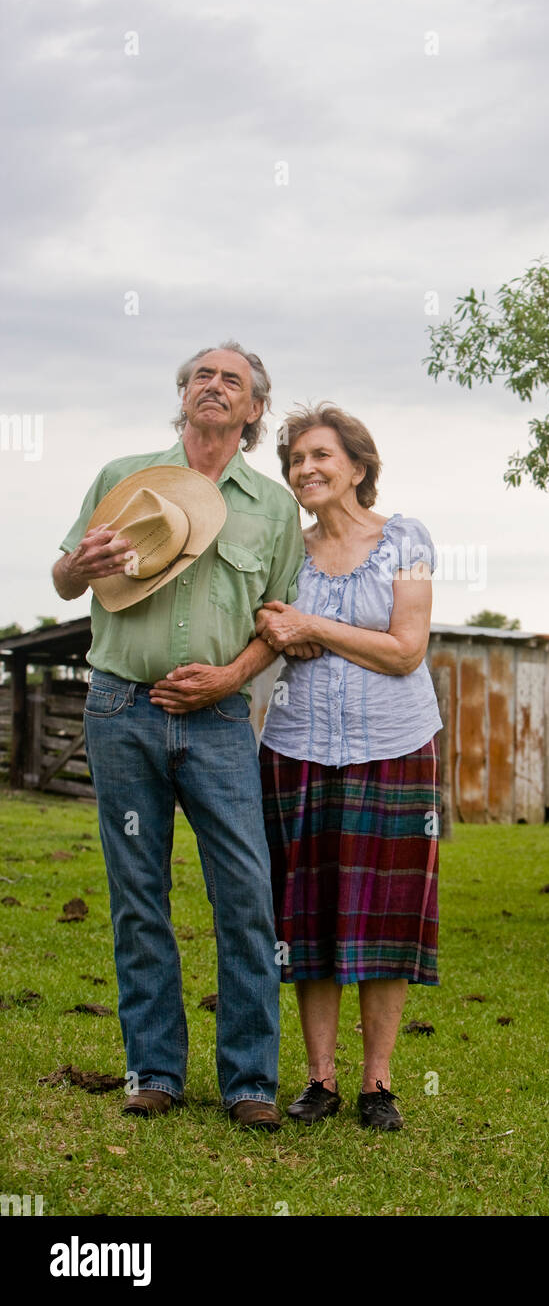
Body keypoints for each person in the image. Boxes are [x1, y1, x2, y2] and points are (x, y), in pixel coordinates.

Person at [52, 341, 308, 1130]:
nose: (216, 387)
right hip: (120, 709)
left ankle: (250, 1083)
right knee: (138, 897)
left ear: (255, 409)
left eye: (233, 380)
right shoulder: (123, 479)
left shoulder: (272, 508)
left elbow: (283, 624)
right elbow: (64, 578)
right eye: (203, 375)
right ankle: (154, 1070)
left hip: (223, 722)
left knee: (246, 898)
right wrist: (80, 567)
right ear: (184, 394)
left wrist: (232, 678)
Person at [257, 404, 442, 1131]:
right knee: (308, 917)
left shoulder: (407, 539)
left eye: (321, 456)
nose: (306, 469)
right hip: (297, 744)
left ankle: (379, 1085)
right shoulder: (286, 550)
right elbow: (268, 626)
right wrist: (293, 628)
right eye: (296, 460)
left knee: (388, 918)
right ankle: (320, 1081)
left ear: (358, 468)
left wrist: (313, 628)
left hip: (395, 744)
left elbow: (405, 649)